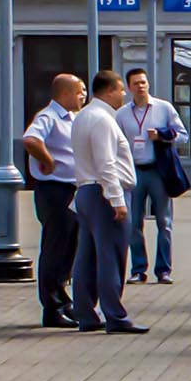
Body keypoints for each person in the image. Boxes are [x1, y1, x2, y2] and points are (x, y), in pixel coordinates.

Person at [69, 70, 145, 334]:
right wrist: (117, 199)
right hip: (104, 193)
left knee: (87, 255)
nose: (124, 94)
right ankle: (115, 315)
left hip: (87, 191)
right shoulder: (103, 119)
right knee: (111, 255)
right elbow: (106, 162)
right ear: (109, 90)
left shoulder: (83, 116)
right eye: (121, 90)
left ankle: (86, 313)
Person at [22, 73, 85, 329]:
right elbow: (30, 140)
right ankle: (52, 307)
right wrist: (47, 160)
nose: (84, 96)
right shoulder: (48, 117)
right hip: (54, 191)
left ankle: (63, 300)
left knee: (69, 247)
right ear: (66, 93)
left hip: (70, 189)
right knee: (55, 248)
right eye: (80, 91)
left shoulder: (71, 118)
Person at [118, 67, 182, 284]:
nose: (141, 86)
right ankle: (138, 269)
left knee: (164, 221)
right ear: (129, 88)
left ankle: (164, 270)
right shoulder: (122, 114)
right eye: (136, 83)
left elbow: (183, 135)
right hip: (133, 171)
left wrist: (163, 135)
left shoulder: (164, 108)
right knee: (133, 223)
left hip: (157, 170)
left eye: (143, 82)